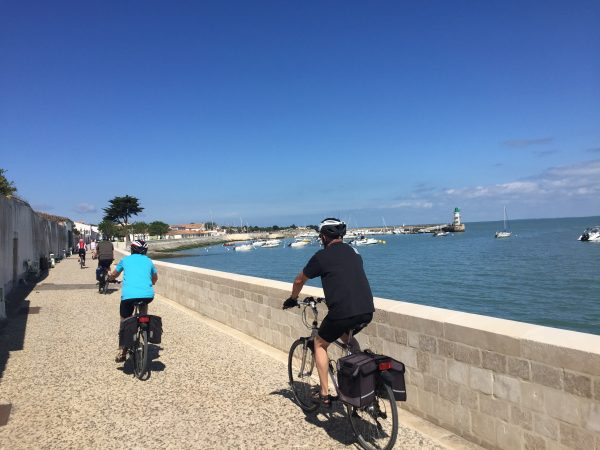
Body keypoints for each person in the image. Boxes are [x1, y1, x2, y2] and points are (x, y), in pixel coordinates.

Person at [284, 218, 375, 407]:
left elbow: (300, 280)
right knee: (345, 336)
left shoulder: (321, 256)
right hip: (366, 309)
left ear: (324, 237)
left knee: (319, 343)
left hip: (343, 311)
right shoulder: (354, 252)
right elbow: (347, 277)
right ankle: (359, 370)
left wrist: (293, 298)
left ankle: (325, 394)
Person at [109, 239, 158, 362]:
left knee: (124, 320)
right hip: (147, 295)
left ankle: (122, 350)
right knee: (144, 306)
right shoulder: (148, 261)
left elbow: (114, 274)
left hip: (129, 296)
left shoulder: (125, 260)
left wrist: (110, 277)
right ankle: (144, 324)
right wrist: (149, 284)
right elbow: (155, 278)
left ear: (132, 249)